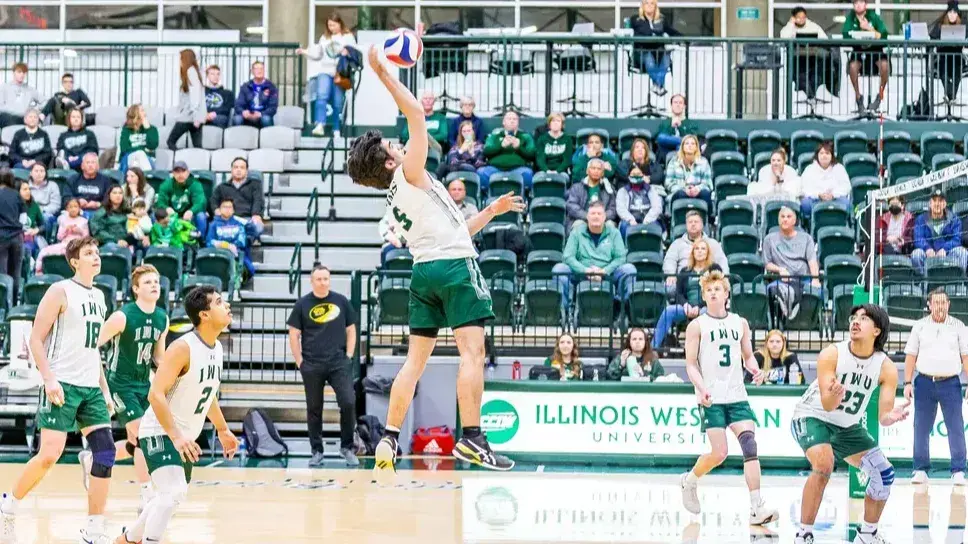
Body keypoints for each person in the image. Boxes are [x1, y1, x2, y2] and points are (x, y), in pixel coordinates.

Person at [346, 45, 524, 473]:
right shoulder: (409, 170)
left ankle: (389, 437)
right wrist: (384, 73)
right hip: (454, 268)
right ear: (391, 159)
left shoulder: (395, 197)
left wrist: (490, 213)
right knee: (472, 354)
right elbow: (417, 116)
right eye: (394, 144)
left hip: (424, 272)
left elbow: (454, 231)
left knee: (415, 361)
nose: (400, 143)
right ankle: (473, 439)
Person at [0, 237, 114, 543]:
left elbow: (94, 350)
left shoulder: (101, 296)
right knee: (50, 455)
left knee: (106, 453)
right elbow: (35, 339)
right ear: (74, 261)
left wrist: (104, 388)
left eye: (97, 252)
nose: (96, 257)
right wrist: (48, 379)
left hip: (91, 387)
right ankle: (8, 504)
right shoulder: (60, 291)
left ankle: (94, 527)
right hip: (62, 382)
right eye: (89, 253)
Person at [113, 286, 238, 544]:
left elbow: (209, 392)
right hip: (161, 431)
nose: (226, 306)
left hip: (184, 438)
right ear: (204, 315)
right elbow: (155, 394)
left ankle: (125, 540)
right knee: (173, 492)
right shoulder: (182, 347)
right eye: (219, 302)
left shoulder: (216, 349)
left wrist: (223, 429)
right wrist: (176, 436)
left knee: (168, 497)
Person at [791, 304, 910, 544]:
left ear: (877, 330)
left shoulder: (886, 367)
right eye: (854, 317)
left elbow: (882, 416)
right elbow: (826, 404)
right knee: (824, 463)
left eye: (864, 319)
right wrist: (835, 394)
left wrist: (892, 416)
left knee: (884, 474)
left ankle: (867, 533)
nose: (855, 322)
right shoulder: (832, 353)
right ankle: (803, 534)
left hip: (846, 426)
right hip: (812, 416)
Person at [680, 270, 779, 525]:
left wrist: (755, 369)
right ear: (703, 296)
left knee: (749, 445)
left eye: (717, 289)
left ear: (726, 294)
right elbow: (690, 364)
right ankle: (690, 480)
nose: (713, 292)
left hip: (736, 394)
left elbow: (747, 356)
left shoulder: (740, 323)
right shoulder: (696, 325)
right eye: (708, 290)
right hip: (710, 396)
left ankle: (757, 506)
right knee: (719, 453)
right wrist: (701, 388)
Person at [90, 265, 168, 515]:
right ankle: (147, 497)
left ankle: (92, 460)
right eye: (147, 282)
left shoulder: (162, 318)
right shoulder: (122, 316)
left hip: (143, 384)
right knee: (145, 437)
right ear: (135, 289)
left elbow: (159, 357)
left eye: (156, 281)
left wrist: (175, 376)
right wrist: (101, 383)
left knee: (139, 441)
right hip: (119, 384)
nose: (154, 285)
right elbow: (92, 345)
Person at [286, 265, 359, 466]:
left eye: (325, 278)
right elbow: (294, 334)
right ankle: (316, 451)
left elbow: (352, 330)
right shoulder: (302, 304)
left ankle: (347, 447)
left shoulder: (341, 302)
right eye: (318, 279)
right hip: (312, 364)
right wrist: (300, 361)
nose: (322, 282)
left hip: (338, 363)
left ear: (330, 280)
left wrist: (349, 356)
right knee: (314, 408)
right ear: (312, 281)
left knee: (348, 402)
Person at [903, 288, 968, 485]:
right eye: (936, 303)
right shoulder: (919, 326)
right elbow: (911, 356)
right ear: (929, 305)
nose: (940, 306)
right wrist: (907, 382)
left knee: (956, 427)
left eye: (943, 303)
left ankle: (958, 470)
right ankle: (920, 469)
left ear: (948, 304)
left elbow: (966, 357)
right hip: (924, 383)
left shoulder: (959, 326)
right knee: (921, 427)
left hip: (951, 383)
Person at [552, 201, 637, 309]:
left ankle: (621, 310)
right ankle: (564, 312)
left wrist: (604, 271)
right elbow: (568, 257)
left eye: (599, 214)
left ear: (604, 217)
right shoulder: (576, 232)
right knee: (559, 269)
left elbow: (620, 258)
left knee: (629, 269)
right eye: (593, 214)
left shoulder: (614, 233)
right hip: (581, 273)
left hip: (607, 274)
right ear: (587, 216)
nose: (596, 216)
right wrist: (585, 270)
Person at [297, 13, 356, 137]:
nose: (331, 28)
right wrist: (305, 52)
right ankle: (320, 124)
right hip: (324, 70)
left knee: (337, 102)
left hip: (340, 73)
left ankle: (336, 129)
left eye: (333, 25)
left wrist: (347, 52)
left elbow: (354, 53)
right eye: (329, 25)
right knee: (321, 96)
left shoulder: (347, 37)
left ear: (340, 24)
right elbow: (318, 54)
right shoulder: (324, 38)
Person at [652, 240, 718, 349]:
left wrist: (699, 306)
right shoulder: (685, 270)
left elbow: (715, 292)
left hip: (707, 307)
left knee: (705, 314)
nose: (700, 251)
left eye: (703, 249)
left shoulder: (714, 269)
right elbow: (678, 293)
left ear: (708, 252)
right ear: (692, 252)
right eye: (697, 249)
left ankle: (704, 351)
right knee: (669, 310)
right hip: (687, 307)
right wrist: (686, 305)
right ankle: (652, 348)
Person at [844, 0, 890, 113]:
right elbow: (845, 34)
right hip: (858, 51)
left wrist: (868, 28)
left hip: (876, 50)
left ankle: (880, 95)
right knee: (853, 67)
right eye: (855, 3)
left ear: (866, 4)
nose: (858, 5)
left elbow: (883, 35)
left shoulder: (874, 16)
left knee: (885, 66)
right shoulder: (850, 18)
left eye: (861, 2)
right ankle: (858, 97)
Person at [663, 211, 729, 287]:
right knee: (670, 288)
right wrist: (671, 274)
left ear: (702, 225)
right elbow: (669, 260)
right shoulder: (677, 244)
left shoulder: (713, 243)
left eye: (696, 222)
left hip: (709, 281)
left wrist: (724, 277)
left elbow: (722, 261)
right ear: (686, 225)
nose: (693, 224)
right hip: (683, 281)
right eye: (690, 222)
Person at [629, 0, 680, 95]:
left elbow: (671, 31)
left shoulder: (661, 19)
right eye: (646, 3)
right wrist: (654, 35)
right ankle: (660, 85)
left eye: (652, 3)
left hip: (658, 52)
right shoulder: (635, 19)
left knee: (666, 57)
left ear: (656, 6)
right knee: (649, 58)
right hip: (642, 52)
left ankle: (657, 86)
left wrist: (685, 38)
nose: (649, 5)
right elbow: (640, 34)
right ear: (642, 6)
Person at [477, 111, 536, 193]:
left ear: (518, 122)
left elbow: (532, 155)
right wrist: (501, 146)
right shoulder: (494, 136)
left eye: (514, 119)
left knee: (527, 173)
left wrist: (519, 147)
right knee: (481, 172)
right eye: (509, 119)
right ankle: (490, 197)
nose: (512, 121)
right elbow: (486, 152)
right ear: (503, 122)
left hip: (518, 169)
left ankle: (522, 197)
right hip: (495, 169)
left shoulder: (525, 137)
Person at [208, 157, 265, 243]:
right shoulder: (222, 187)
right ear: (231, 170)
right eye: (236, 167)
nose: (238, 170)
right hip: (228, 220)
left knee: (258, 227)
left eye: (242, 168)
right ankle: (242, 240)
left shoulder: (255, 184)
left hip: (247, 219)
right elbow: (213, 201)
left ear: (246, 171)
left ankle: (241, 240)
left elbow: (258, 201)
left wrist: (256, 214)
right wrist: (216, 209)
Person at [912, 189, 968, 275]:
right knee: (916, 254)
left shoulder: (953, 219)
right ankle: (923, 283)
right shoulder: (921, 219)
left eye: (940, 201)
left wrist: (945, 249)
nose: (937, 204)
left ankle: (958, 281)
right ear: (930, 203)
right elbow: (918, 238)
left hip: (947, 253)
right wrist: (927, 248)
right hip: (928, 253)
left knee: (963, 252)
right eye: (934, 201)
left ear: (945, 204)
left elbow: (957, 238)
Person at [156, 160, 208, 238]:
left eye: (183, 171)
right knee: (156, 215)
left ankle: (201, 241)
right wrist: (166, 208)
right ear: (173, 173)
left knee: (201, 216)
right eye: (177, 172)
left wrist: (191, 211)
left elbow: (200, 202)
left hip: (190, 215)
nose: (180, 175)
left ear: (188, 172)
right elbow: (160, 202)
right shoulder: (166, 184)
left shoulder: (195, 184)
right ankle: (160, 240)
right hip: (171, 215)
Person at [35, 198, 88, 274]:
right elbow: (59, 237)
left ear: (79, 208)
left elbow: (87, 238)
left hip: (78, 245)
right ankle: (39, 271)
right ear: (66, 209)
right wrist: (66, 230)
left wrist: (79, 231)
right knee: (44, 251)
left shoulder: (83, 221)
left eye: (75, 207)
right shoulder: (63, 220)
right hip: (64, 244)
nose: (73, 209)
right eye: (70, 207)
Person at [800, 142, 850, 220]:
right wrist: (818, 195)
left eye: (827, 153)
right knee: (805, 203)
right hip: (816, 200)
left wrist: (833, 194)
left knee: (846, 203)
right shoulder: (809, 169)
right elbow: (804, 188)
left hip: (835, 199)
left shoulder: (839, 168)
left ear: (832, 156)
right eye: (821, 153)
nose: (824, 156)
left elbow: (846, 187)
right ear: (817, 156)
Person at [167, 49, 205, 150]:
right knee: (198, 147)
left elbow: (195, 95)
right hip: (195, 116)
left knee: (170, 141)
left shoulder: (190, 71)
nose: (179, 61)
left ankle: (180, 161)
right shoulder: (195, 72)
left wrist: (196, 116)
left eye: (181, 58)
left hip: (188, 117)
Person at [207, 198, 255, 279]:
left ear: (233, 210)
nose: (227, 209)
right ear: (219, 209)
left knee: (250, 268)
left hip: (236, 254)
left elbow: (242, 241)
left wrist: (232, 246)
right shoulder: (213, 225)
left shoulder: (239, 224)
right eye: (224, 207)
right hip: (219, 254)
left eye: (229, 207)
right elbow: (209, 242)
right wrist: (225, 245)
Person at [665, 134, 712, 210]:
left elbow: (708, 184)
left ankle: (708, 220)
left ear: (696, 147)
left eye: (692, 144)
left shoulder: (704, 162)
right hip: (680, 191)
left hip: (698, 192)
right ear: (682, 147)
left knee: (705, 194)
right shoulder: (674, 162)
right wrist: (684, 189)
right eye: (687, 143)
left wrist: (697, 189)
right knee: (680, 194)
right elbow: (669, 183)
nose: (690, 145)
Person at [566, 158, 617, 228]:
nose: (596, 171)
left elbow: (613, 209)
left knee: (610, 225)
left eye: (599, 169)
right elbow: (571, 206)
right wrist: (588, 216)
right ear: (587, 171)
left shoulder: (608, 188)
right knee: (578, 225)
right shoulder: (577, 187)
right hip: (582, 219)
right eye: (593, 168)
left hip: (602, 220)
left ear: (602, 173)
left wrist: (601, 217)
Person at [616, 163, 663, 238]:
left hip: (648, 218)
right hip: (630, 219)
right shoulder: (622, 191)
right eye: (633, 174)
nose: (636, 176)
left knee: (656, 225)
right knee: (624, 225)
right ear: (628, 176)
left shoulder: (651, 189)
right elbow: (620, 209)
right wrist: (631, 220)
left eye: (638, 173)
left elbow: (657, 207)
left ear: (643, 175)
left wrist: (647, 220)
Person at [932, 4, 966, 105]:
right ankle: (952, 96)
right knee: (943, 71)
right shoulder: (940, 25)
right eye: (950, 12)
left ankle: (951, 96)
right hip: (943, 58)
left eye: (954, 13)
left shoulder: (963, 25)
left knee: (958, 71)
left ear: (958, 14)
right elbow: (933, 37)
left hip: (957, 58)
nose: (952, 15)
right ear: (946, 14)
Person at [399, 90, 449, 154]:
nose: (428, 101)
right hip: (416, 145)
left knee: (422, 133)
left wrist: (424, 137)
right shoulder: (414, 117)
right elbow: (404, 134)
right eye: (425, 98)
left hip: (434, 147)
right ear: (421, 101)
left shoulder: (441, 117)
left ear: (434, 102)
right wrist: (420, 139)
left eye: (430, 99)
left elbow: (443, 135)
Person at [0, 172, 25, 298]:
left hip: (1, 237)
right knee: (16, 273)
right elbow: (24, 219)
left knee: (2, 274)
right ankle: (14, 303)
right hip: (17, 237)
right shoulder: (17, 195)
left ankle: (4, 304)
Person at [91, 185, 139, 249]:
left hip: (127, 242)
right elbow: (97, 233)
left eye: (120, 193)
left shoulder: (128, 212)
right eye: (114, 193)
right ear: (109, 195)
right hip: (108, 243)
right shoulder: (101, 212)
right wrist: (116, 241)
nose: (118, 195)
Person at [655, 94, 699, 162]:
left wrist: (680, 127)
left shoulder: (690, 123)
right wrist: (671, 127)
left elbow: (693, 139)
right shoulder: (665, 122)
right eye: (675, 102)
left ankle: (682, 143)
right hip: (666, 150)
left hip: (683, 152)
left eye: (680, 103)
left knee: (682, 146)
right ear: (671, 105)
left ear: (684, 106)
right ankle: (682, 142)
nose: (678, 105)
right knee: (661, 137)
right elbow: (660, 139)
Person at [233, 61, 278, 128]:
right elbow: (238, 105)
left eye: (261, 69)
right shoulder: (245, 86)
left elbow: (273, 108)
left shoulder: (271, 87)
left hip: (262, 116)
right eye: (256, 69)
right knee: (237, 119)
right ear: (252, 71)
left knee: (266, 119)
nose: (259, 71)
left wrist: (260, 114)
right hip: (248, 116)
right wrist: (244, 112)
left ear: (264, 71)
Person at [0, 62, 43, 127]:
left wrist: (35, 110)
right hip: (9, 117)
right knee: (7, 117)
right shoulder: (4, 87)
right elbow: (1, 107)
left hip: (24, 118)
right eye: (19, 72)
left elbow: (45, 101)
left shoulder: (30, 89)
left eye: (24, 72)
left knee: (32, 119)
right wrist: (17, 111)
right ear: (14, 72)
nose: (22, 74)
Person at [119, 104, 159, 172]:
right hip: (129, 158)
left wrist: (148, 129)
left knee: (137, 162)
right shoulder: (126, 130)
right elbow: (124, 148)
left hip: (147, 160)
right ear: (135, 114)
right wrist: (142, 150)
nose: (145, 113)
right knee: (138, 155)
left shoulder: (152, 129)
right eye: (142, 111)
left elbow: (153, 146)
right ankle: (146, 179)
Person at [71, 153, 112, 219]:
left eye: (93, 162)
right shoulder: (73, 179)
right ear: (82, 166)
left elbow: (110, 199)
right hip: (76, 211)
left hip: (98, 212)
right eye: (88, 162)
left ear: (98, 166)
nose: (90, 165)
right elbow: (66, 197)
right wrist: (77, 201)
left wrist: (98, 204)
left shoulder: (106, 181)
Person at [27, 162, 61, 235]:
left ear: (45, 173)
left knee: (45, 218)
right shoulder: (25, 186)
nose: (39, 173)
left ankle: (42, 239)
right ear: (31, 173)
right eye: (36, 171)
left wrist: (39, 211)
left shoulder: (53, 185)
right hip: (29, 212)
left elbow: (55, 206)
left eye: (42, 171)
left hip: (46, 213)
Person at [203, 65, 234, 129]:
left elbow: (228, 108)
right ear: (207, 76)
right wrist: (206, 114)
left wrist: (214, 113)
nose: (215, 77)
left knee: (220, 119)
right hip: (204, 116)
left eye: (218, 74)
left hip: (219, 117)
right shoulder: (201, 92)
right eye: (212, 74)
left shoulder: (227, 93)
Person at [19, 180, 45, 257]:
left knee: (26, 249)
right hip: (14, 239)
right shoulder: (11, 206)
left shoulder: (34, 205)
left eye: (29, 189)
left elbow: (43, 225)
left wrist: (36, 230)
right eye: (25, 189)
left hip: (28, 240)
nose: (28, 192)